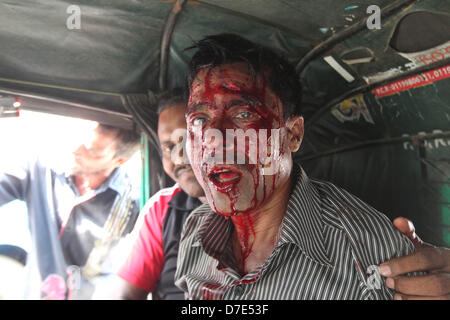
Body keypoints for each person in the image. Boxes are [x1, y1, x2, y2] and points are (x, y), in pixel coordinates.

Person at [174, 33, 450, 300]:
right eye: (199, 120)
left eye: (244, 114)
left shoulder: (370, 252)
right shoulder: (196, 231)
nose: (214, 140)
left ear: (293, 134)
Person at [0, 122, 141, 299]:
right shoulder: (40, 169)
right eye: (79, 139)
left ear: (119, 161)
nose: (76, 149)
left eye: (91, 150)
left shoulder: (134, 202)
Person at [107, 88, 206, 300]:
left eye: (187, 140)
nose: (179, 158)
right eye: (168, 147)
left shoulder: (270, 204)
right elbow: (125, 295)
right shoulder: (163, 208)